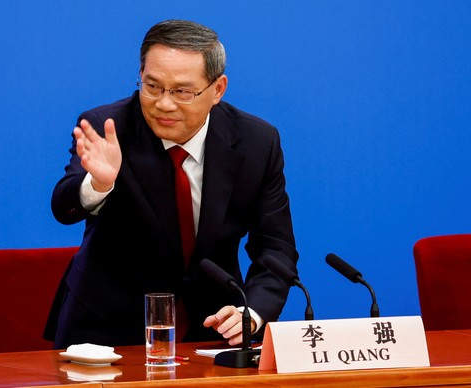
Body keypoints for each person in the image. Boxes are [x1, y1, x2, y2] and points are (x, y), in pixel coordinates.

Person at [45, 19, 299, 349]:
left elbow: (275, 248)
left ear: (217, 89)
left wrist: (253, 311)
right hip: (106, 331)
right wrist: (98, 183)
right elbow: (64, 206)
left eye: (182, 91)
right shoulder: (107, 127)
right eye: (152, 87)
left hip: (213, 329)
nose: (164, 103)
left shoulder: (256, 142)